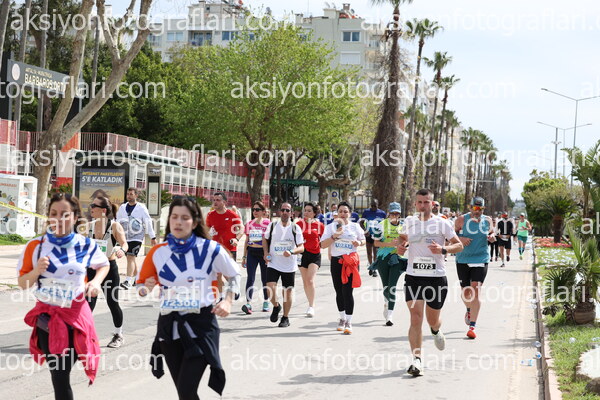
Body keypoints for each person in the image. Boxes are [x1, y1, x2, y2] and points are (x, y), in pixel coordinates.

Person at [136, 196, 240, 400]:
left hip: (201, 326)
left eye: (185, 218)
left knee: (186, 390)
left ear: (195, 222)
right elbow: (140, 287)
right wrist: (144, 288)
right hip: (169, 326)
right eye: (174, 217)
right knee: (185, 394)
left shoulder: (210, 249)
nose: (178, 222)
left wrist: (228, 300)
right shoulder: (158, 252)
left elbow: (235, 275)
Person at [18, 193, 110, 400]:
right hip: (47, 321)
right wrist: (36, 270)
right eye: (53, 213)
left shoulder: (85, 244)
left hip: (76, 320)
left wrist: (96, 282)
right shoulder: (35, 246)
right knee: (60, 376)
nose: (58, 219)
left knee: (62, 374)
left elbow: (104, 264)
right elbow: (23, 283)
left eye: (64, 214)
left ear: (75, 217)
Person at [400, 189, 463, 376]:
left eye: (426, 202)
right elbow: (402, 239)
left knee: (432, 320)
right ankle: (417, 360)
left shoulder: (442, 223)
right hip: (413, 276)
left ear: (432, 204)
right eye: (419, 202)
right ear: (415, 204)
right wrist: (400, 247)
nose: (422, 206)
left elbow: (458, 245)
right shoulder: (409, 222)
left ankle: (435, 331)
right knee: (415, 318)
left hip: (436, 278)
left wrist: (443, 249)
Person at [87, 196, 129, 348]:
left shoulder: (115, 226)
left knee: (112, 302)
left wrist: (122, 250)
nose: (91, 208)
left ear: (103, 210)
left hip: (109, 267)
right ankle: (84, 335)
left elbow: (124, 244)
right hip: (92, 268)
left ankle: (119, 335)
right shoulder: (89, 226)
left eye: (94, 206)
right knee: (88, 303)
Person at [321, 201, 365, 335]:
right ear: (337, 213)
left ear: (350, 214)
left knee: (348, 292)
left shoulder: (355, 227)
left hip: (350, 262)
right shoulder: (330, 227)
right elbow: (322, 245)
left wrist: (359, 242)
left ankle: (349, 321)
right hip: (337, 261)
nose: (343, 214)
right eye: (340, 211)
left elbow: (363, 240)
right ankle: (342, 318)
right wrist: (335, 236)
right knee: (339, 291)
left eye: (345, 211)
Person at [455, 197, 496, 339]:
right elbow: (451, 236)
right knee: (466, 293)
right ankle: (469, 309)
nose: (477, 211)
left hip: (481, 258)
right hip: (463, 259)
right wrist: (461, 239)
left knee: (476, 291)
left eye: (480, 209)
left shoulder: (487, 220)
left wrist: (492, 237)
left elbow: (491, 232)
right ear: (470, 207)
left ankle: (472, 326)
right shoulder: (461, 220)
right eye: (475, 208)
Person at [263, 202, 305, 327]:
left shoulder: (295, 228)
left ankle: (285, 317)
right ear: (279, 212)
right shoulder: (272, 225)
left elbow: (301, 247)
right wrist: (265, 253)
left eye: (288, 210)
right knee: (270, 289)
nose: (285, 212)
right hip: (273, 263)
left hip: (289, 265)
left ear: (291, 213)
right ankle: (276, 306)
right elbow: (265, 239)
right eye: (283, 210)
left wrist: (291, 251)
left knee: (287, 292)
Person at [372, 202, 407, 326]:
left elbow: (407, 240)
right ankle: (387, 303)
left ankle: (390, 315)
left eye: (397, 213)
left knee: (392, 286)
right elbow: (376, 243)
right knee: (386, 287)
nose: (394, 215)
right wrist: (389, 244)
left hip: (397, 258)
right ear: (389, 213)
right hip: (383, 257)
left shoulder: (403, 226)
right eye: (392, 213)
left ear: (400, 214)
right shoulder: (381, 225)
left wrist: (403, 245)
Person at [117, 188, 157, 289]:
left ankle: (128, 281)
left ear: (136, 196)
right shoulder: (122, 207)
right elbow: (118, 221)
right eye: (128, 194)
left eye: (131, 194)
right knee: (131, 258)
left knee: (130, 257)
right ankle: (137, 279)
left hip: (137, 236)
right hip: (125, 237)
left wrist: (152, 236)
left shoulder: (141, 208)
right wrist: (116, 234)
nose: (129, 196)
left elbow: (148, 221)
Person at [206, 192, 243, 297]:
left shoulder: (232, 214)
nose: (215, 202)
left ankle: (235, 287)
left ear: (224, 202)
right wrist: (208, 234)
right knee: (217, 274)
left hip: (230, 248)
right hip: (216, 248)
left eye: (218, 200)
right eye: (214, 200)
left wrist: (236, 239)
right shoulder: (210, 215)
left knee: (229, 273)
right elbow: (206, 228)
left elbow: (241, 228)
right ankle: (221, 296)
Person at [241, 201, 271, 314]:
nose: (255, 212)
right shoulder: (249, 224)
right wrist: (244, 256)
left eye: (257, 210)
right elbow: (246, 241)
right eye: (253, 209)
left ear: (263, 212)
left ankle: (266, 301)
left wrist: (268, 254)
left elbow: (270, 240)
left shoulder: (268, 223)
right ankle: (248, 303)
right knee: (250, 278)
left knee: (265, 278)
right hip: (252, 252)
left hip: (263, 253)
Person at [296, 202, 325, 317]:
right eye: (305, 210)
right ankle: (309, 303)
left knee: (310, 280)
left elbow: (324, 240)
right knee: (305, 281)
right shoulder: (298, 224)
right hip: (302, 254)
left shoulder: (319, 225)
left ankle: (312, 306)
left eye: (309, 211)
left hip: (315, 254)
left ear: (314, 213)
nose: (306, 213)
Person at [361, 200, 386, 277]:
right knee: (369, 252)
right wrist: (365, 230)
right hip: (368, 235)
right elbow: (361, 222)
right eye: (372, 206)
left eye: (375, 206)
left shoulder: (382, 213)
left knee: (375, 252)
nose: (373, 207)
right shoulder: (366, 212)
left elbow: (385, 224)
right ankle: (370, 266)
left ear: (378, 205)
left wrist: (382, 233)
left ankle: (374, 269)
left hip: (377, 236)